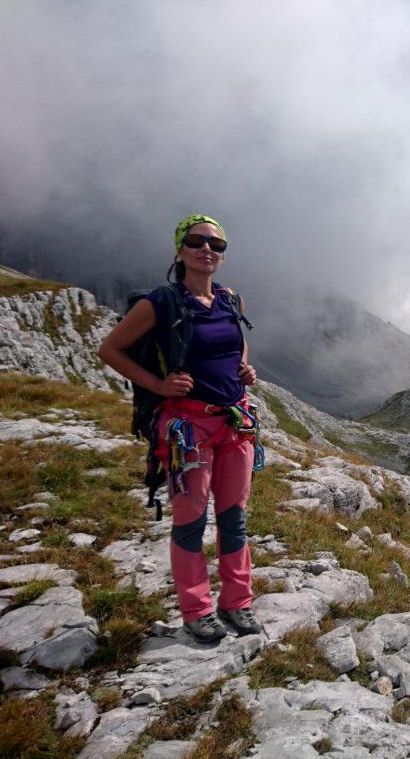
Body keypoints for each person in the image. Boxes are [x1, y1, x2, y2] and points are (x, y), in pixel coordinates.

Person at [99, 214, 263, 643]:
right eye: (196, 241)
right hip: (187, 426)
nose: (207, 249)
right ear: (180, 250)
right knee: (190, 519)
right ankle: (196, 609)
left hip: (234, 422)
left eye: (216, 245)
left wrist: (243, 368)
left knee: (234, 518)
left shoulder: (231, 299)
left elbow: (236, 339)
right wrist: (157, 384)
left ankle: (237, 601)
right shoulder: (160, 302)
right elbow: (110, 348)